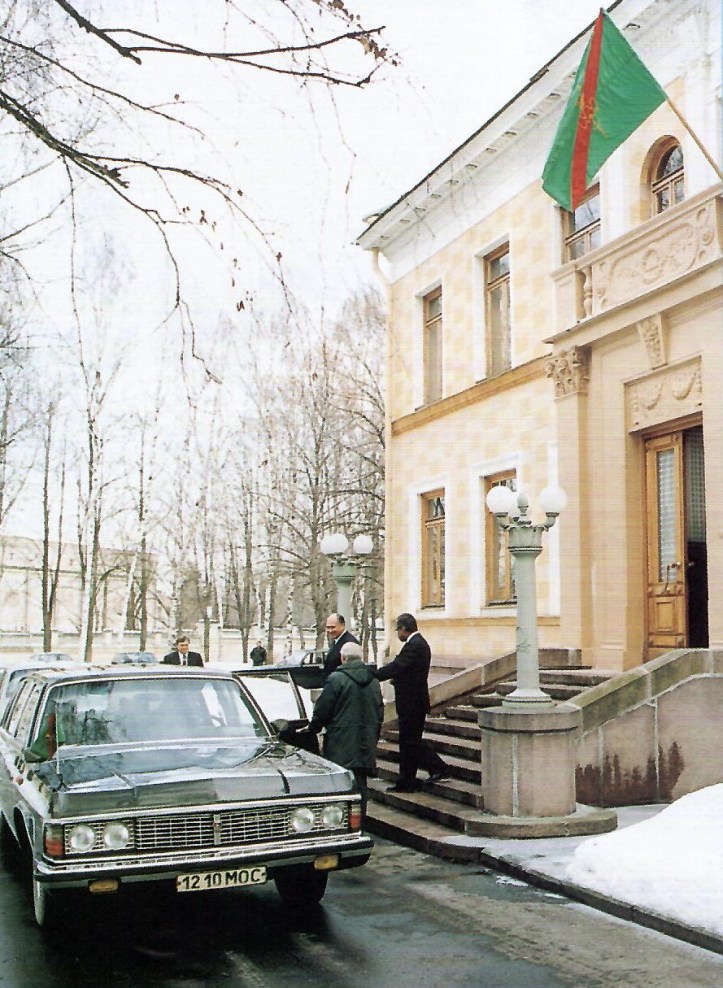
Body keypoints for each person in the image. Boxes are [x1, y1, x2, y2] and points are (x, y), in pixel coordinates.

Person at [374, 612, 450, 792]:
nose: (397, 634)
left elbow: (399, 666)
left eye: (397, 630)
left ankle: (408, 780)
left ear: (403, 629)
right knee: (412, 741)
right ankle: (435, 769)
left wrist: (375, 674)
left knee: (409, 742)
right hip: (413, 702)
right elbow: (408, 671)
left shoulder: (414, 645)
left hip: (412, 703)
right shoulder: (417, 644)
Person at [308, 641, 383, 821]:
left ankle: (340, 823)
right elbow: (379, 711)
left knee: (341, 784)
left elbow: (323, 710)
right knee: (361, 785)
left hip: (340, 742)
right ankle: (359, 822)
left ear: (342, 658)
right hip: (365, 741)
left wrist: (313, 728)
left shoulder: (336, 679)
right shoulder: (373, 680)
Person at [321, 612, 359, 681]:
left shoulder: (350, 644)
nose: (330, 630)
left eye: (333, 627)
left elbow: (352, 671)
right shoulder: (336, 641)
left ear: (342, 625)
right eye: (328, 627)